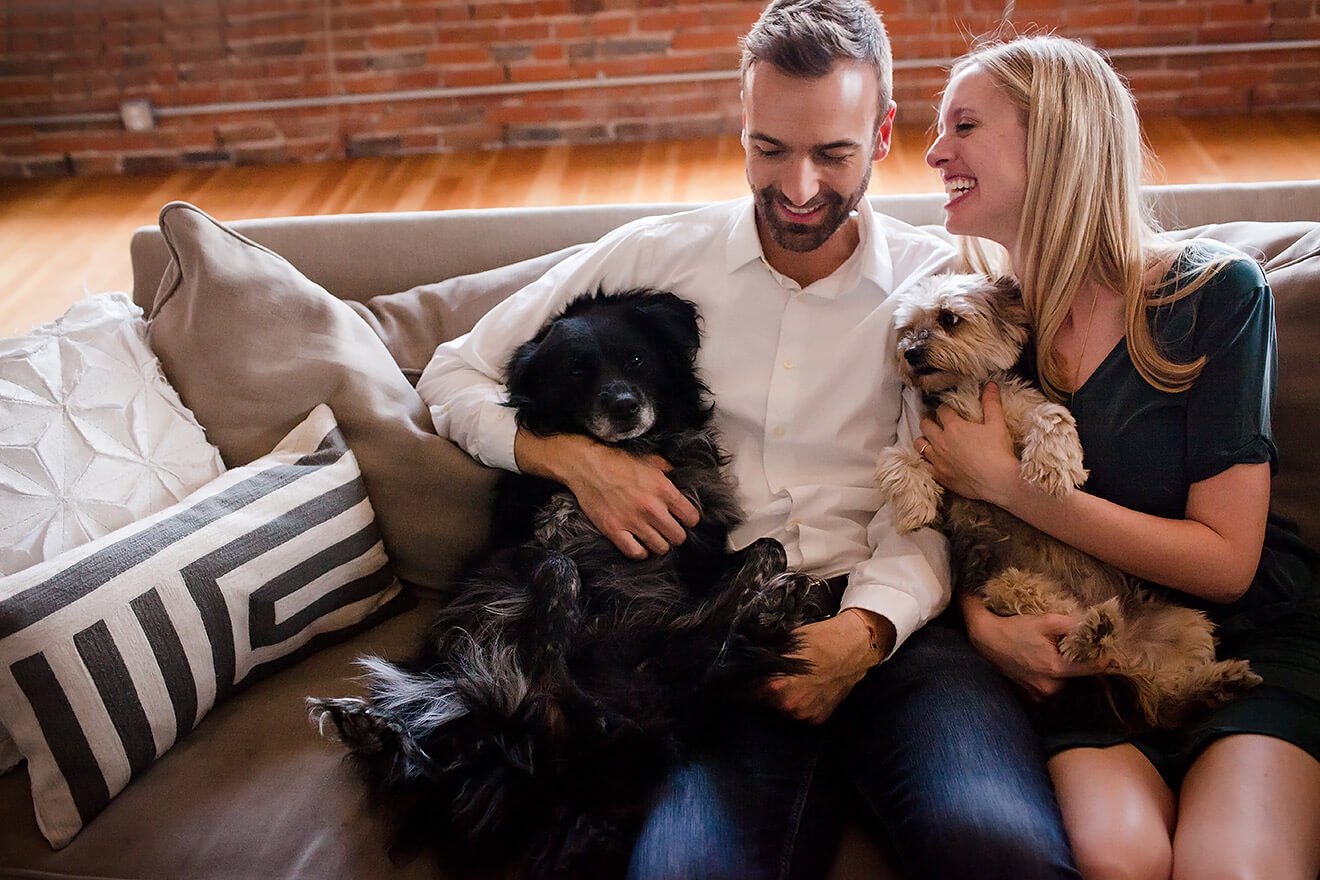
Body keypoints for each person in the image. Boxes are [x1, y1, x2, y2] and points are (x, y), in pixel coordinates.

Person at [418, 2, 1077, 877]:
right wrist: (575, 460)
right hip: (718, 644)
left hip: (904, 637)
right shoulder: (654, 256)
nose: (799, 188)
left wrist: (869, 630)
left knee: (1004, 853)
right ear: (741, 125)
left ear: (882, 135)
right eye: (771, 149)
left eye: (834, 154)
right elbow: (451, 375)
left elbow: (939, 489)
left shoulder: (940, 287)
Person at [921, 34, 1320, 880]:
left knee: (1231, 868)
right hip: (1083, 653)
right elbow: (950, 515)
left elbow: (1227, 564)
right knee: (1117, 857)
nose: (933, 152)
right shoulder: (970, 329)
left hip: (1238, 634)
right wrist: (984, 625)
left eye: (963, 126)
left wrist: (1013, 486)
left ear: (1053, 140)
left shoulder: (1217, 294)